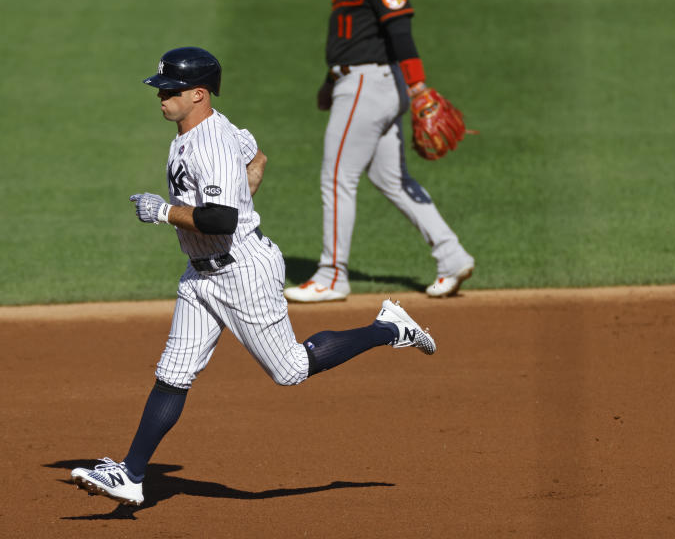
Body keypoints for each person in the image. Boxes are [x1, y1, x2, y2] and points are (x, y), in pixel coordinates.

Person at [69, 46, 437, 507]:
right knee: (173, 372)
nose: (161, 96)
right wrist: (243, 200)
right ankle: (132, 474)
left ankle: (389, 327)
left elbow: (222, 219)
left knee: (291, 370)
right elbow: (257, 159)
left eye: (170, 89)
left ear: (199, 94)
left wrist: (163, 211)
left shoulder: (211, 143)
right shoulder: (203, 129)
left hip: (241, 271)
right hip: (201, 276)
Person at [284, 0, 475, 303]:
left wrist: (419, 85)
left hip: (369, 84)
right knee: (391, 179)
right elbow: (351, 33)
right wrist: (328, 80)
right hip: (361, 80)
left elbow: (399, 30)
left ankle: (332, 274)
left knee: (337, 178)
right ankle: (451, 255)